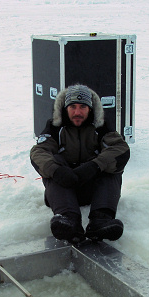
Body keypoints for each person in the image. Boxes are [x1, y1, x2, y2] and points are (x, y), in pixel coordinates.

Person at [30, 84, 130, 244]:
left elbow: (120, 148)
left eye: (83, 107)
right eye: (73, 107)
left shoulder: (101, 127)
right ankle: (68, 220)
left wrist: (94, 166)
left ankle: (101, 220)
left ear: (90, 109)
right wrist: (57, 171)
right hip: (62, 190)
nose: (77, 112)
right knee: (51, 163)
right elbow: (39, 151)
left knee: (112, 165)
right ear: (65, 108)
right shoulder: (55, 128)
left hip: (94, 190)